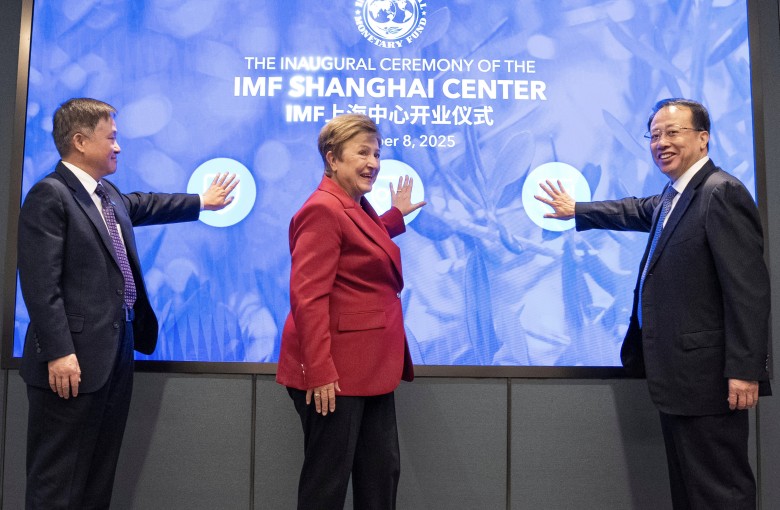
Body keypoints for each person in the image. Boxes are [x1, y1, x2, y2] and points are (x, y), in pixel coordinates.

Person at [535, 98, 771, 509]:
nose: (661, 142)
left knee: (720, 492)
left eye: (673, 132)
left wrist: (745, 371)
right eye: (655, 134)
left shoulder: (722, 192)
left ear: (703, 138)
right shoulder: (675, 195)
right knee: (690, 492)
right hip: (682, 379)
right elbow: (635, 209)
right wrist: (577, 210)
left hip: (711, 381)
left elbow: (748, 291)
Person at [17, 97, 238, 509]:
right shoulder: (50, 195)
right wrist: (61, 352)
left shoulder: (107, 195)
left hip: (113, 355)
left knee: (98, 477)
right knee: (57, 482)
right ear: (81, 141)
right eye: (111, 138)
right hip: (70, 363)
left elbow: (145, 204)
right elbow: (39, 285)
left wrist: (200, 201)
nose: (118, 147)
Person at [276, 113, 425, 510]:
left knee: (380, 475)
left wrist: (394, 216)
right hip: (335, 374)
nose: (373, 162)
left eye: (376, 153)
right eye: (362, 152)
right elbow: (307, 298)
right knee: (327, 484)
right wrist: (320, 370)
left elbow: (360, 242)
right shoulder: (322, 209)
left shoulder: (352, 205)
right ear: (332, 159)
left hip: (370, 368)